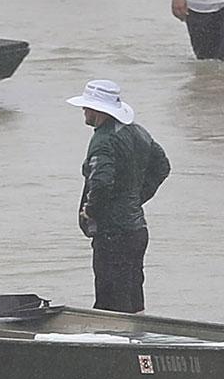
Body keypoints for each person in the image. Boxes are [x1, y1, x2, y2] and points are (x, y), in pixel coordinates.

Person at [69, 79, 170, 313]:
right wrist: (136, 197)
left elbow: (102, 182)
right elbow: (162, 166)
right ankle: (138, 343)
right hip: (136, 230)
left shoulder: (102, 140)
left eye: (86, 106)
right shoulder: (138, 132)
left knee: (110, 306)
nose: (83, 111)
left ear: (97, 110)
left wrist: (91, 211)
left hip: (113, 235)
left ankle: (114, 345)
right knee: (134, 300)